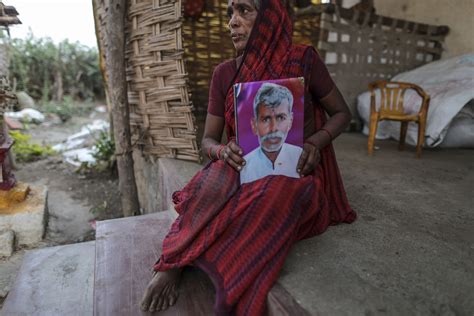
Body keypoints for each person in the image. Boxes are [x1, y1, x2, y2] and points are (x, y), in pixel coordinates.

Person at [140, 0, 357, 314]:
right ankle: (172, 262)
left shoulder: (304, 60)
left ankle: (221, 269)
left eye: (244, 10)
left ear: (272, 16)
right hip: (245, 165)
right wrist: (221, 151)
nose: (232, 21)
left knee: (273, 194)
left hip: (295, 171)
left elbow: (341, 113)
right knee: (212, 182)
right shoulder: (225, 73)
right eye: (230, 13)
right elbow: (209, 140)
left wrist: (315, 142)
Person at [240, 82, 302, 184]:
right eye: (266, 119)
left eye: (281, 118)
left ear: (290, 121)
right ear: (254, 125)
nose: (273, 128)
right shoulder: (244, 166)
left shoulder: (300, 157)